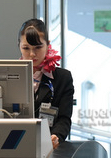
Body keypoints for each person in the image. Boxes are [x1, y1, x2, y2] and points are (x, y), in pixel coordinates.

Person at [18, 18, 74, 149]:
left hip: (47, 147)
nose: (32, 54)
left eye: (38, 47)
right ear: (19, 45)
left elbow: (64, 119)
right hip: (14, 143)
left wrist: (56, 136)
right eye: (26, 48)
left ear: (48, 45)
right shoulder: (9, 74)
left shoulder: (63, 78)